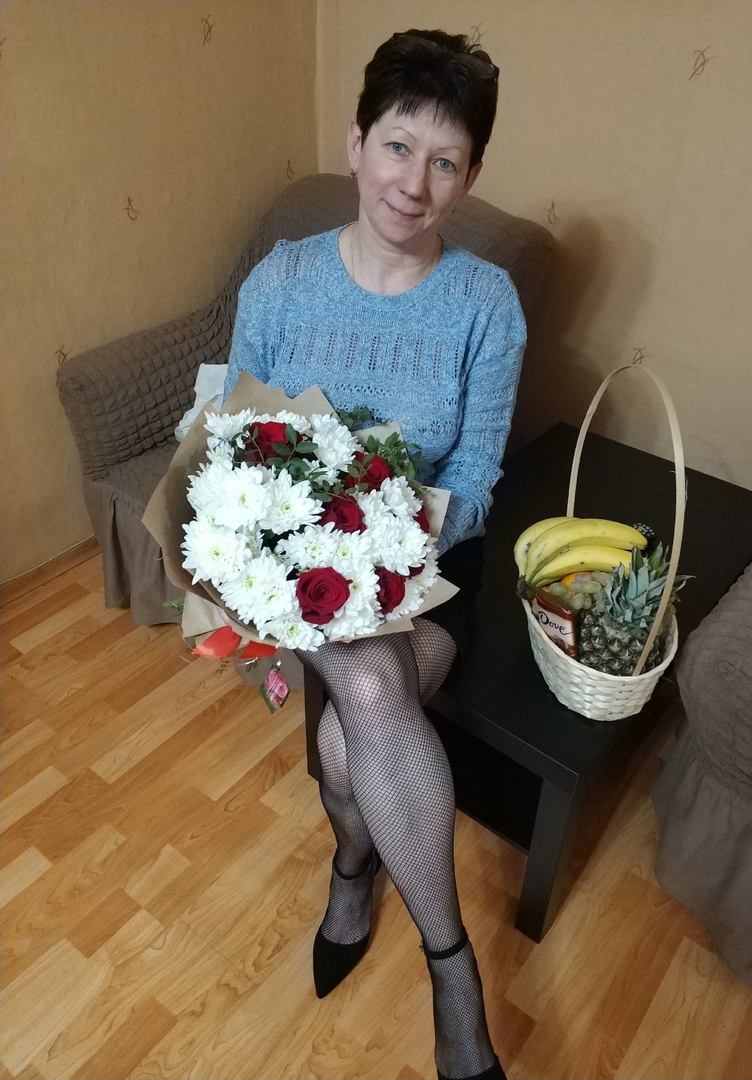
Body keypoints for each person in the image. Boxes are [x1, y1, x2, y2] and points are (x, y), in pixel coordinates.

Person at [223, 29, 527, 1080]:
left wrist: (389, 543)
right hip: (306, 583)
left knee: (352, 743)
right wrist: (308, 552)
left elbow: (477, 476)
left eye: (445, 161)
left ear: (470, 176)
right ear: (356, 143)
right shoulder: (282, 281)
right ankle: (454, 969)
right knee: (362, 684)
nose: (414, 183)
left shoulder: (485, 303)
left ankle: (355, 872)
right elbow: (235, 439)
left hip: (429, 573)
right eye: (398, 147)